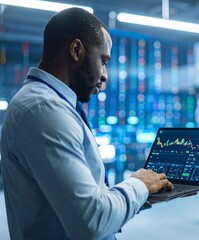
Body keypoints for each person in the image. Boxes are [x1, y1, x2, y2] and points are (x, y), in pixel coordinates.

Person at [0, 8, 173, 240]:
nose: (105, 75)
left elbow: (83, 201)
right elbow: (91, 221)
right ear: (76, 50)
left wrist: (142, 194)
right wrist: (138, 184)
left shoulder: (52, 104)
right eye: (103, 61)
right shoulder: (44, 109)